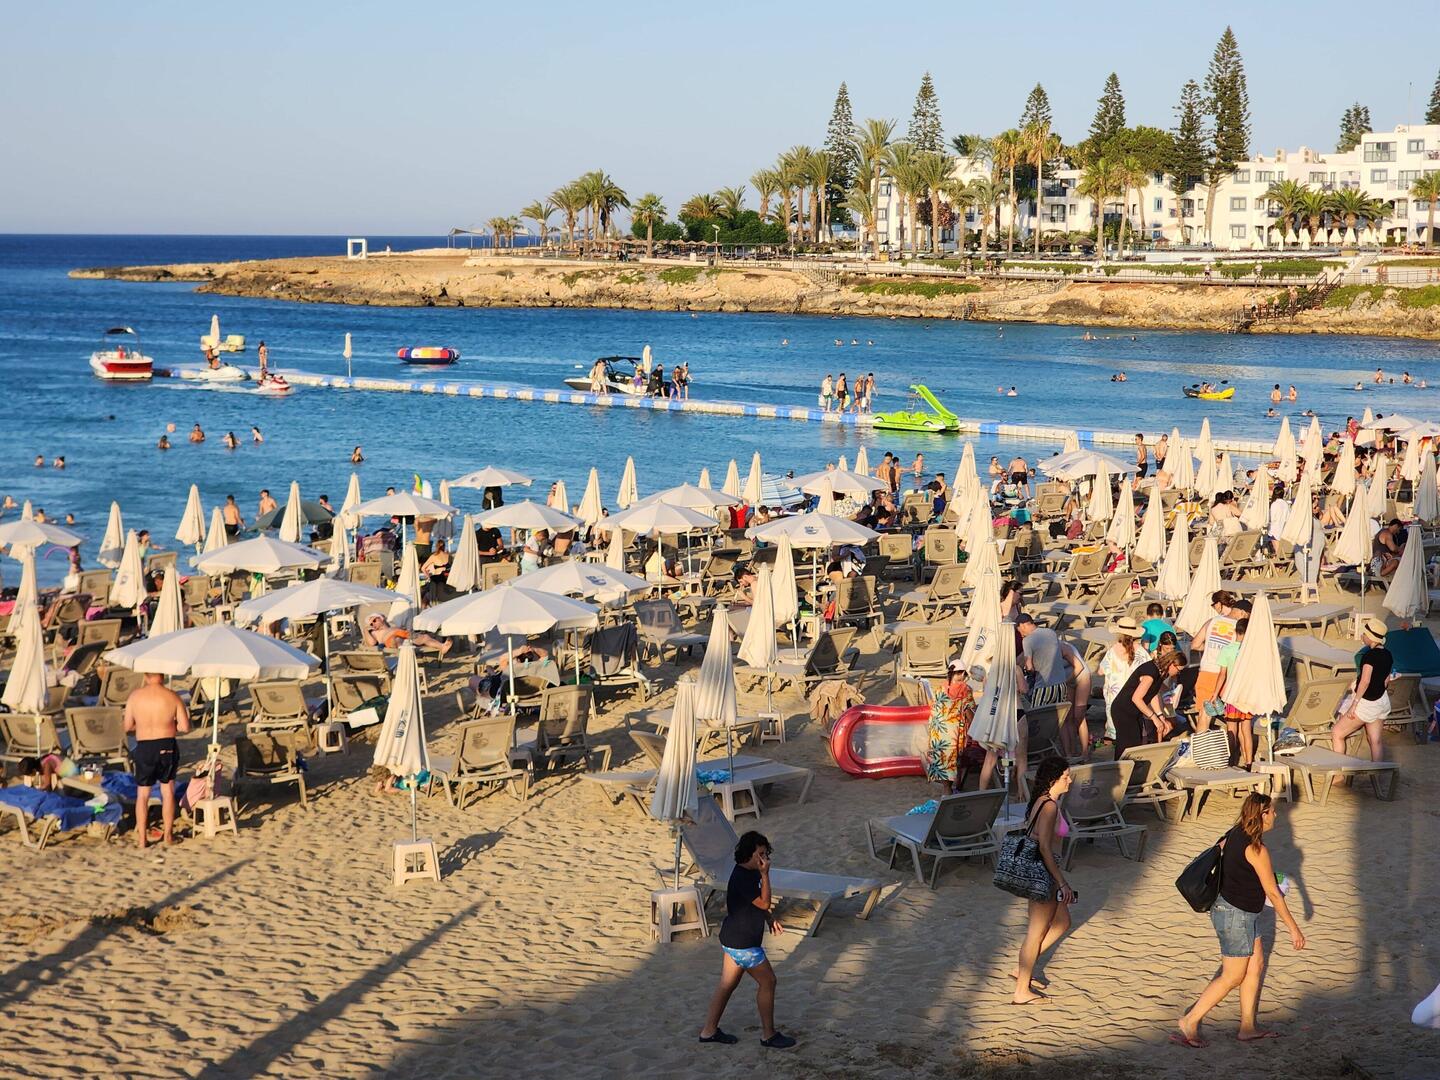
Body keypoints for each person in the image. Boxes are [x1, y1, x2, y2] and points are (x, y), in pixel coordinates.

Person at [1174, 793, 1305, 1047]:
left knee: (1255, 965)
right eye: (1272, 811)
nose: (1275, 814)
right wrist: (1294, 929)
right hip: (1235, 915)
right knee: (1233, 976)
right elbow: (1273, 894)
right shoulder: (1257, 850)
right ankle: (1190, 1020)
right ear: (1262, 815)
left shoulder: (1234, 832)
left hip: (1240, 911)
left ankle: (1247, 1027)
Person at [698, 830, 796, 1049]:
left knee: (727, 984)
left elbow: (759, 905)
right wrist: (765, 875)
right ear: (748, 854)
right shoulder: (743, 877)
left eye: (766, 854)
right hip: (743, 943)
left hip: (733, 939)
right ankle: (768, 1035)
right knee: (768, 981)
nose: (764, 859)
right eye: (760, 854)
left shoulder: (750, 872)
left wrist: (769, 919)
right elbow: (764, 902)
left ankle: (709, 1031)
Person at [1011, 757, 1076, 1005]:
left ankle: (1022, 970)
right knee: (1035, 934)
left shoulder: (1042, 801)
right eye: (1065, 776)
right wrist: (1062, 882)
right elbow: (1045, 848)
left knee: (1062, 922)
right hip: (1044, 874)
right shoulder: (1048, 807)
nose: (1070, 780)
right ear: (1053, 779)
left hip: (1043, 872)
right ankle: (1021, 990)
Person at [123, 673, 191, 848]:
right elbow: (185, 727)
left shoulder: (135, 697)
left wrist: (143, 725)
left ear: (146, 676)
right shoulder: (172, 696)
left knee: (142, 794)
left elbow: (127, 726)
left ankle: (142, 839)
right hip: (166, 744)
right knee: (167, 791)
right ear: (162, 675)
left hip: (144, 746)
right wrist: (168, 725)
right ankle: (168, 836)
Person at [1331, 616, 1393, 761]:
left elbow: (1365, 681)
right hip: (1382, 701)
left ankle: (1339, 771)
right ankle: (1377, 772)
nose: (1362, 636)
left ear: (1370, 638)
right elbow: (1386, 680)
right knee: (1375, 741)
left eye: (1364, 634)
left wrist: (1354, 704)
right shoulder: (1388, 654)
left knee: (1337, 733)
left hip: (1367, 703)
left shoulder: (1369, 656)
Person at [1111, 646, 1186, 759]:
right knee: (1127, 745)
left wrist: (1160, 716)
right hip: (1123, 710)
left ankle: (1129, 767)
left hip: (1135, 711)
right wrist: (1154, 718)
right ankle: (1120, 768)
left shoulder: (1162, 672)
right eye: (1178, 670)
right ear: (1171, 664)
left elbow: (1153, 694)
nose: (1178, 673)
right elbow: (1136, 698)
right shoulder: (1151, 672)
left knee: (1136, 743)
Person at [925, 658, 976, 795]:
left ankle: (948, 789)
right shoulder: (965, 690)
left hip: (938, 731)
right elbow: (969, 712)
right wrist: (975, 730)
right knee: (952, 762)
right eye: (963, 673)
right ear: (960, 673)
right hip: (953, 731)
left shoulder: (939, 688)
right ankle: (948, 791)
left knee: (943, 762)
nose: (963, 676)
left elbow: (933, 709)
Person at [1209, 617, 1255, 767]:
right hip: (1247, 694)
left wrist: (1215, 693)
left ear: (1235, 631)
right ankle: (1249, 761)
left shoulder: (1227, 649)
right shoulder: (1251, 651)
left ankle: (1230, 761)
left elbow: (1222, 674)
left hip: (1232, 694)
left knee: (1231, 729)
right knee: (1246, 729)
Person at [1191, 591, 1241, 723]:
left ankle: (1202, 737)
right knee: (1231, 716)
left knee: (1204, 714)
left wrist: (1208, 646)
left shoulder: (1211, 622)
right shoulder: (1238, 625)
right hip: (1229, 673)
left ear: (1219, 604)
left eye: (1213, 605)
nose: (1214, 608)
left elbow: (1195, 645)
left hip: (1208, 670)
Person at [1099, 617, 1150, 746]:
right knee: (1136, 723)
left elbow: (1101, 671)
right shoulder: (1140, 651)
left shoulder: (1113, 650)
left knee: (1115, 725)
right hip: (1133, 692)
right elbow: (1149, 669)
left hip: (1114, 694)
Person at [362, 613, 453, 658]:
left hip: (404, 636)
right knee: (397, 639)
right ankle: (406, 659)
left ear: (381, 618)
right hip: (392, 641)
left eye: (374, 620)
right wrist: (365, 630)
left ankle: (442, 647)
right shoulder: (374, 632)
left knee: (425, 637)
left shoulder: (392, 626)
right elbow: (371, 644)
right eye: (371, 624)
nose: (373, 624)